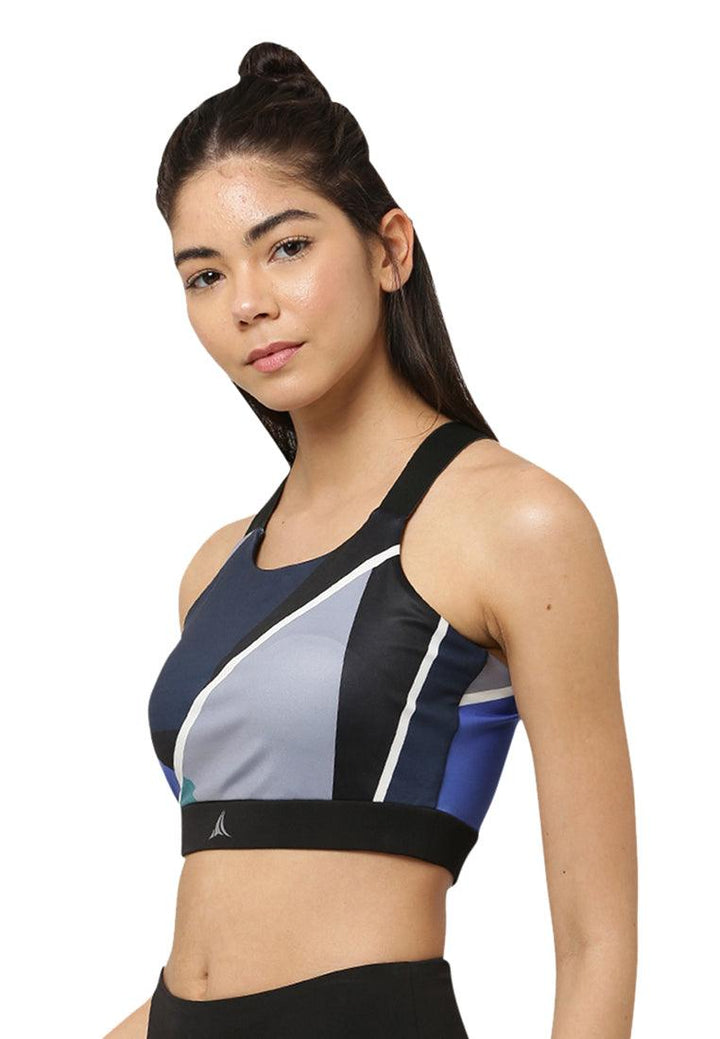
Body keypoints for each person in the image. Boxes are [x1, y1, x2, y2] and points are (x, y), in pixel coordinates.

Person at [103, 40, 637, 1039]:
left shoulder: (513, 523)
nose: (247, 302)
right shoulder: (214, 570)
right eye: (205, 274)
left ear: (390, 249)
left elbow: (595, 941)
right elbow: (236, 898)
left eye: (286, 248)